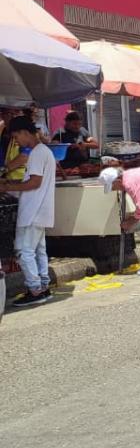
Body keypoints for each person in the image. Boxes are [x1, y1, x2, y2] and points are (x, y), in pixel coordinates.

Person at [1, 117, 55, 307]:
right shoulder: (42, 152)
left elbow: (34, 182)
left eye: (16, 136)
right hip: (40, 209)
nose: (16, 141)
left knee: (24, 251)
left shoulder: (37, 153)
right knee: (38, 250)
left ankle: (35, 290)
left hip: (33, 210)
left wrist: (6, 187)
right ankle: (43, 286)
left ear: (25, 132)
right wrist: (10, 186)